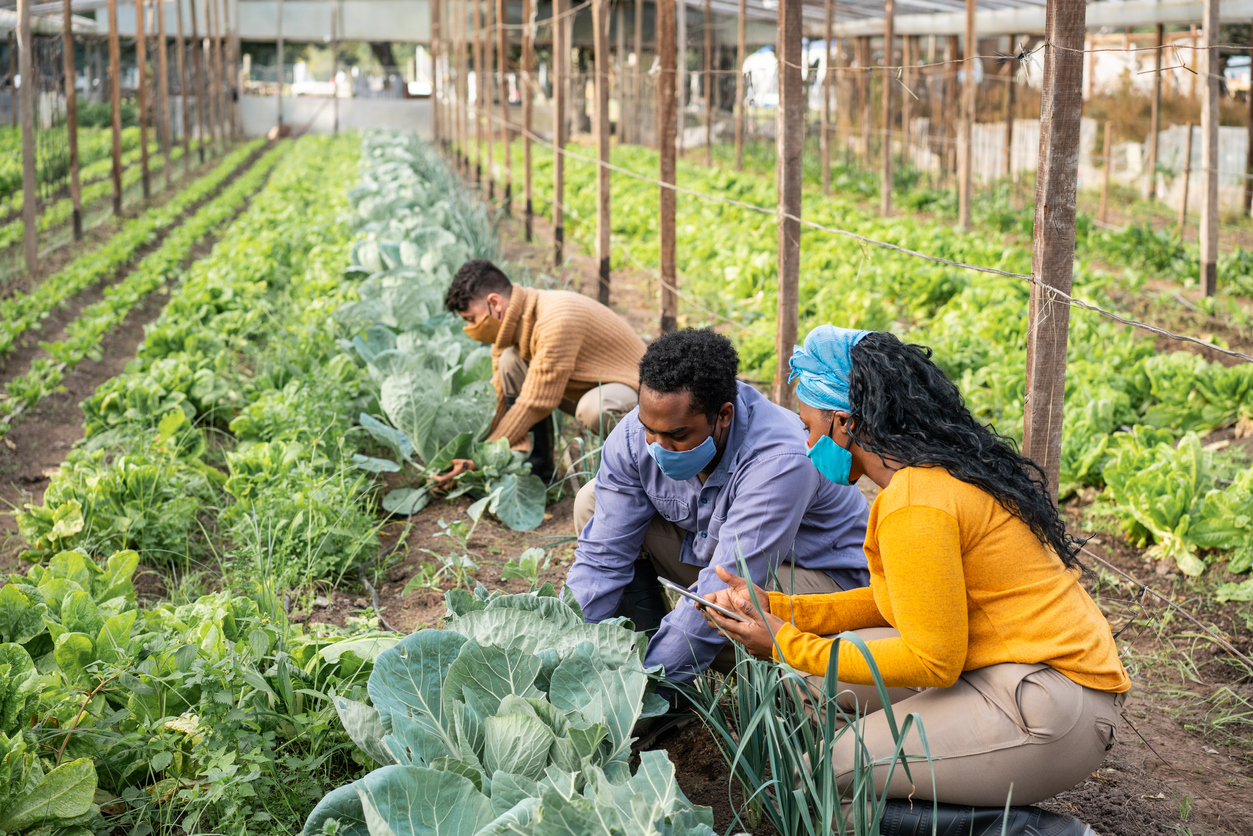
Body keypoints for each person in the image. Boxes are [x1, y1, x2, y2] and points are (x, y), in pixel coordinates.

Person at [699, 325, 1130, 836]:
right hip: (1015, 675)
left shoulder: (915, 501)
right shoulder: (933, 474)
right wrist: (782, 609)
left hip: (1051, 707)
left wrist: (783, 643)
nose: (805, 440)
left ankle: (1036, 833)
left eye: (808, 425)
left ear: (844, 423)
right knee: (821, 686)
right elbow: (896, 602)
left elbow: (933, 659)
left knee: (820, 783)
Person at [564, 328, 870, 683]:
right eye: (650, 428)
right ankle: (638, 660)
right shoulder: (638, 433)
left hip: (820, 583)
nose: (658, 445)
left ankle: (665, 683)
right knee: (592, 502)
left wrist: (644, 694)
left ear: (723, 415)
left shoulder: (780, 458)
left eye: (678, 436)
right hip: (734, 565)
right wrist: (564, 651)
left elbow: (721, 591)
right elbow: (602, 558)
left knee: (722, 604)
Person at [443, 260, 646, 482]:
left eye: (472, 319)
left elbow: (535, 402)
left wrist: (482, 456)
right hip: (590, 385)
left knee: (596, 409)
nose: (470, 329)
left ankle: (648, 466)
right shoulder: (505, 334)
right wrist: (474, 451)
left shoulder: (555, 319)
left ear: (495, 302)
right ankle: (540, 472)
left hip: (637, 391)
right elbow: (499, 397)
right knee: (511, 361)